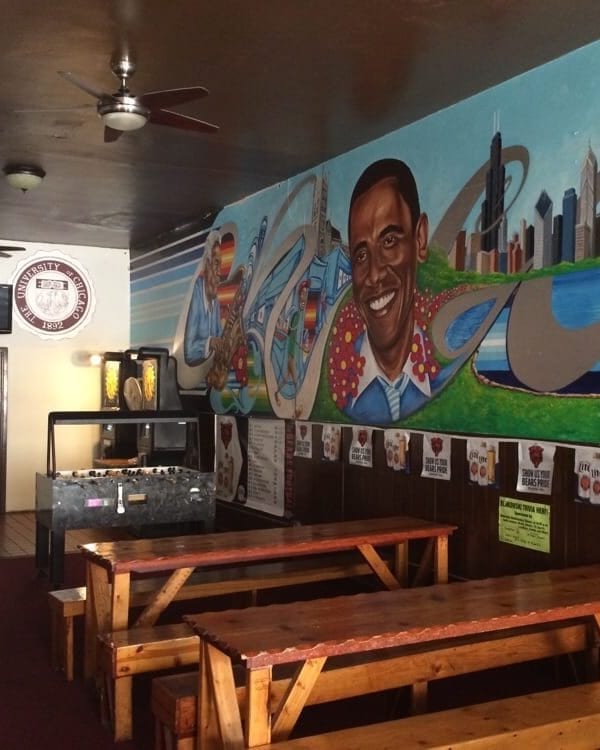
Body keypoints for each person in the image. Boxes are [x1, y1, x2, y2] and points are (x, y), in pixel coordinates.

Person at [344, 158, 434, 423]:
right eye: (361, 255)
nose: (374, 275)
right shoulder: (338, 387)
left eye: (389, 241)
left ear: (420, 239)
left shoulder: (448, 371)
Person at [184, 229, 226, 366]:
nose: (219, 272)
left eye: (220, 265)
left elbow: (219, 336)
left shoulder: (215, 299)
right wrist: (210, 342)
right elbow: (189, 352)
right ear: (207, 263)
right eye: (216, 263)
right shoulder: (196, 291)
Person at [274, 279, 310, 406]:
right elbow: (291, 334)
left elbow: (295, 333)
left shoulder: (301, 314)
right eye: (303, 293)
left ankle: (276, 394)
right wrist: (301, 346)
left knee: (286, 378)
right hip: (291, 353)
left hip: (293, 352)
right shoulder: (297, 314)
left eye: (306, 293)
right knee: (296, 381)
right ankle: (296, 409)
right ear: (299, 296)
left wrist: (303, 346)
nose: (305, 296)